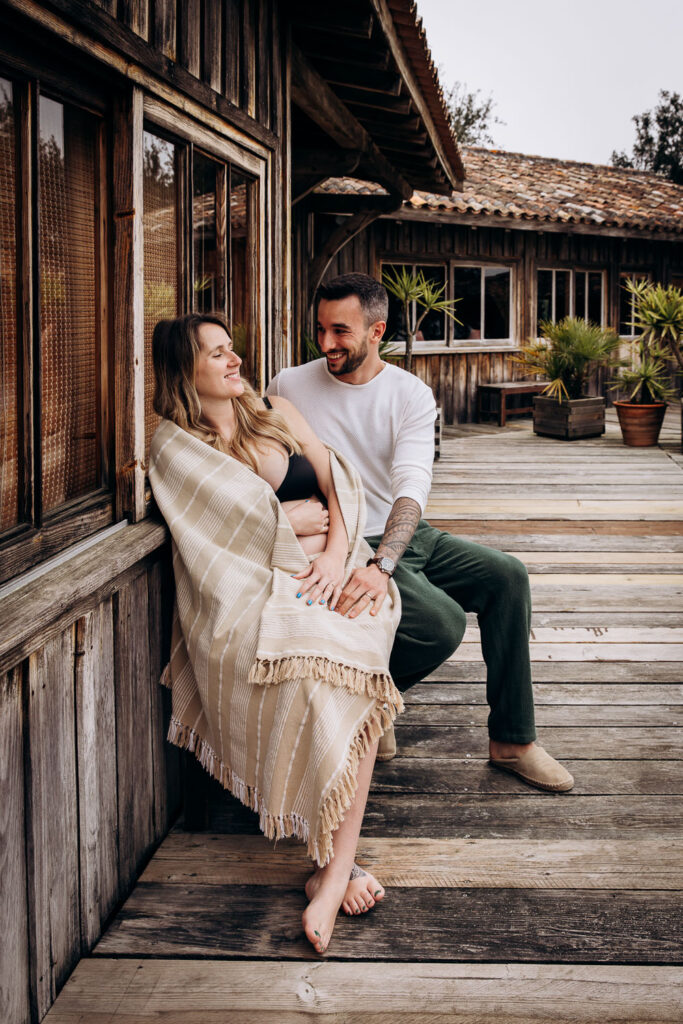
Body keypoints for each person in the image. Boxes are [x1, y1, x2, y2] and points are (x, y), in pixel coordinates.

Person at [148, 312, 404, 957]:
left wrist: (333, 553)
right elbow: (216, 536)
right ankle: (335, 868)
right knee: (332, 683)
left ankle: (331, 869)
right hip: (259, 588)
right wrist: (285, 524)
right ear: (186, 372)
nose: (235, 360)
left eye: (232, 348)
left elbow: (339, 485)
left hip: (338, 566)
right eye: (216, 353)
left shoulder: (276, 411)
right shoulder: (180, 445)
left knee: (357, 659)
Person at [267, 273, 574, 793]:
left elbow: (413, 483)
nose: (326, 344)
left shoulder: (409, 393)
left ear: (377, 330)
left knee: (507, 576)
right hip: (345, 537)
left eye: (340, 331)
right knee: (440, 623)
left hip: (398, 534)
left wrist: (383, 565)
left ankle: (513, 741)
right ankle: (370, 704)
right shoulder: (288, 385)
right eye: (319, 329)